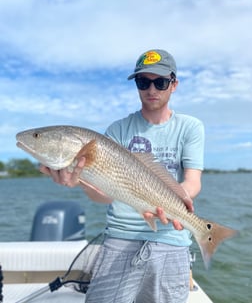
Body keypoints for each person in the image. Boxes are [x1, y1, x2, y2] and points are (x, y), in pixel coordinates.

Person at [40, 49, 205, 303]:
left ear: (174, 85)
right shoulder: (117, 130)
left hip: (171, 236)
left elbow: (192, 182)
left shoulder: (190, 127)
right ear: (136, 84)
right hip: (120, 237)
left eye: (160, 82)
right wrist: (80, 181)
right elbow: (105, 196)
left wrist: (179, 200)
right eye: (143, 82)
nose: (152, 89)